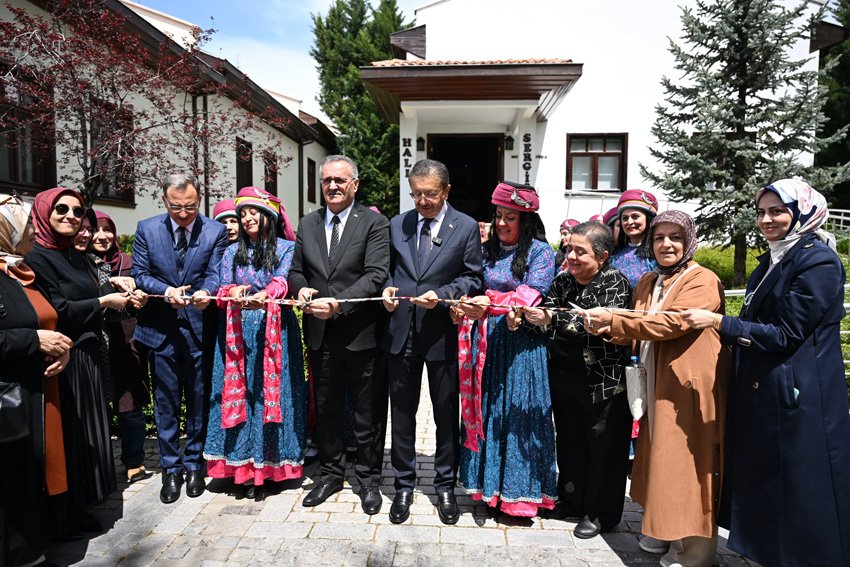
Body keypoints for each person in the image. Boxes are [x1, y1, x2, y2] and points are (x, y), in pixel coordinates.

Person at [683, 179, 850, 567]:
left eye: (777, 211)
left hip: (800, 395)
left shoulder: (818, 261)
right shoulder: (776, 257)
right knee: (771, 481)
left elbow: (787, 334)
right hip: (769, 388)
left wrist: (719, 323)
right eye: (761, 212)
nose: (767, 219)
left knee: (801, 486)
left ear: (803, 213)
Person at [585, 210, 728, 566]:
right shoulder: (650, 281)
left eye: (675, 237)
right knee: (661, 458)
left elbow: (672, 323)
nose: (666, 244)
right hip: (654, 380)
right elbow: (636, 323)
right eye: (660, 237)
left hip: (688, 386)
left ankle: (694, 551)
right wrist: (606, 327)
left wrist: (616, 319)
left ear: (689, 241)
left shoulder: (704, 280)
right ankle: (665, 531)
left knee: (688, 464)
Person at [26, 188, 137, 529]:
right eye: (62, 209)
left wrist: (125, 295)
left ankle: (84, 504)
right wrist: (105, 302)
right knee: (71, 437)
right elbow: (58, 310)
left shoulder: (79, 255)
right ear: (44, 212)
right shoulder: (38, 257)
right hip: (65, 359)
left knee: (89, 433)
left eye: (77, 210)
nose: (71, 216)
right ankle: (66, 515)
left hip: (89, 354)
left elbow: (92, 297)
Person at [380, 159, 483, 524]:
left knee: (444, 414)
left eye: (430, 194)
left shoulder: (466, 226)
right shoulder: (398, 223)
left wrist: (443, 294)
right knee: (403, 415)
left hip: (442, 333)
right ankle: (404, 484)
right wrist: (386, 289)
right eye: (417, 194)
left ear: (446, 191)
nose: (423, 201)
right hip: (402, 332)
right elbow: (387, 269)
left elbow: (473, 278)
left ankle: (444, 486)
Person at [288, 155, 390, 515]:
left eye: (340, 180)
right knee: (327, 408)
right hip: (320, 334)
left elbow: (376, 275)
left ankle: (369, 479)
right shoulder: (308, 223)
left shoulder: (375, 224)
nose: (332, 186)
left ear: (355, 184)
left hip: (362, 332)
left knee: (368, 412)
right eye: (327, 179)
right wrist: (299, 289)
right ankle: (330, 475)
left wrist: (338, 303)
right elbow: (297, 271)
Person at [523, 221, 632, 538]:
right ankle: (571, 499)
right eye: (568, 249)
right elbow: (544, 316)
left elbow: (593, 326)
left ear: (602, 256)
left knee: (604, 448)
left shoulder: (616, 284)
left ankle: (600, 513)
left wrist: (551, 318)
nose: (569, 256)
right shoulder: (564, 282)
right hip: (565, 376)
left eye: (578, 251)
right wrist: (531, 317)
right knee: (570, 442)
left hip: (603, 382)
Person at [455, 181, 556, 517]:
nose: (501, 223)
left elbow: (532, 293)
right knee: (489, 411)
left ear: (526, 220)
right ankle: (487, 489)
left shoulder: (542, 253)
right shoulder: (486, 251)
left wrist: (491, 302)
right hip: (486, 341)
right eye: (498, 215)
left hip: (523, 343)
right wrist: (466, 303)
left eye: (510, 217)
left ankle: (520, 496)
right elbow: (473, 284)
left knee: (518, 412)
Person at [203, 187, 306, 501]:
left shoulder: (287, 248)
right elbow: (222, 286)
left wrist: (267, 294)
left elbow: (283, 280)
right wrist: (230, 293)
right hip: (236, 334)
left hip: (274, 333)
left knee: (272, 398)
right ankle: (239, 468)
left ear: (269, 216)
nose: (246, 219)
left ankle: (272, 468)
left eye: (253, 212)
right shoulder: (231, 251)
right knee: (241, 398)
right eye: (242, 213)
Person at [132, 173, 228, 504]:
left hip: (200, 328)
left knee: (200, 402)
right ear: (165, 201)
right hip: (161, 330)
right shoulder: (147, 228)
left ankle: (195, 464)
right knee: (166, 404)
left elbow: (216, 273)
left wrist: (206, 292)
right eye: (176, 207)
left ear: (199, 201)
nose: (184, 213)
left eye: (189, 206)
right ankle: (171, 470)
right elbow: (140, 274)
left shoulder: (214, 231)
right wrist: (166, 290)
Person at [0, 194, 71, 566]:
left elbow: (40, 319)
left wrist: (60, 348)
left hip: (30, 390)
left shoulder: (15, 269)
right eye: (26, 224)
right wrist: (34, 341)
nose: (33, 231)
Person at [90, 210, 151, 484]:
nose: (102, 236)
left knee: (130, 407)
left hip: (127, 344)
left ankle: (134, 460)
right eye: (95, 230)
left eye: (107, 230)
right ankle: (99, 463)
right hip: (95, 345)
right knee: (97, 407)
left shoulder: (128, 262)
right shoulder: (80, 263)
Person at [610, 189, 658, 289]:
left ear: (648, 219)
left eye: (635, 217)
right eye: (625, 218)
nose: (629, 222)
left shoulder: (657, 253)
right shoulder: (615, 255)